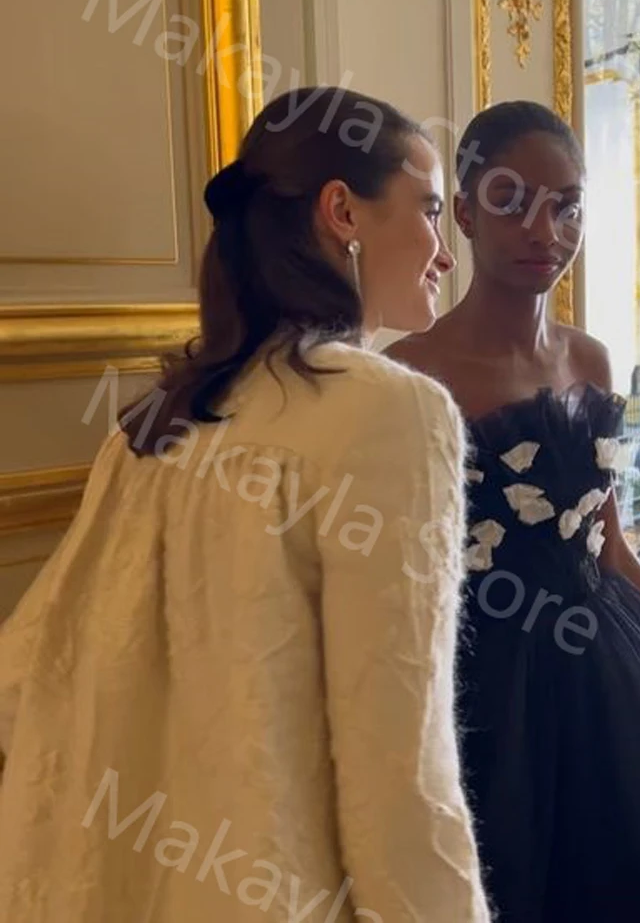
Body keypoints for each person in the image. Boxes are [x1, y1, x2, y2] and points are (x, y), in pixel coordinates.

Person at [0, 87, 491, 923]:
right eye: (431, 211)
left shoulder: (153, 425)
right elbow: (398, 768)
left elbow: (28, 673)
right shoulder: (391, 414)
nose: (444, 252)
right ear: (342, 211)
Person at [386, 100, 640, 922]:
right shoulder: (409, 375)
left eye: (566, 204)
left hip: (615, 677)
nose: (545, 228)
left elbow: (613, 547)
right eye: (512, 200)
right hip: (481, 688)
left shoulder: (590, 359)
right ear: (463, 210)